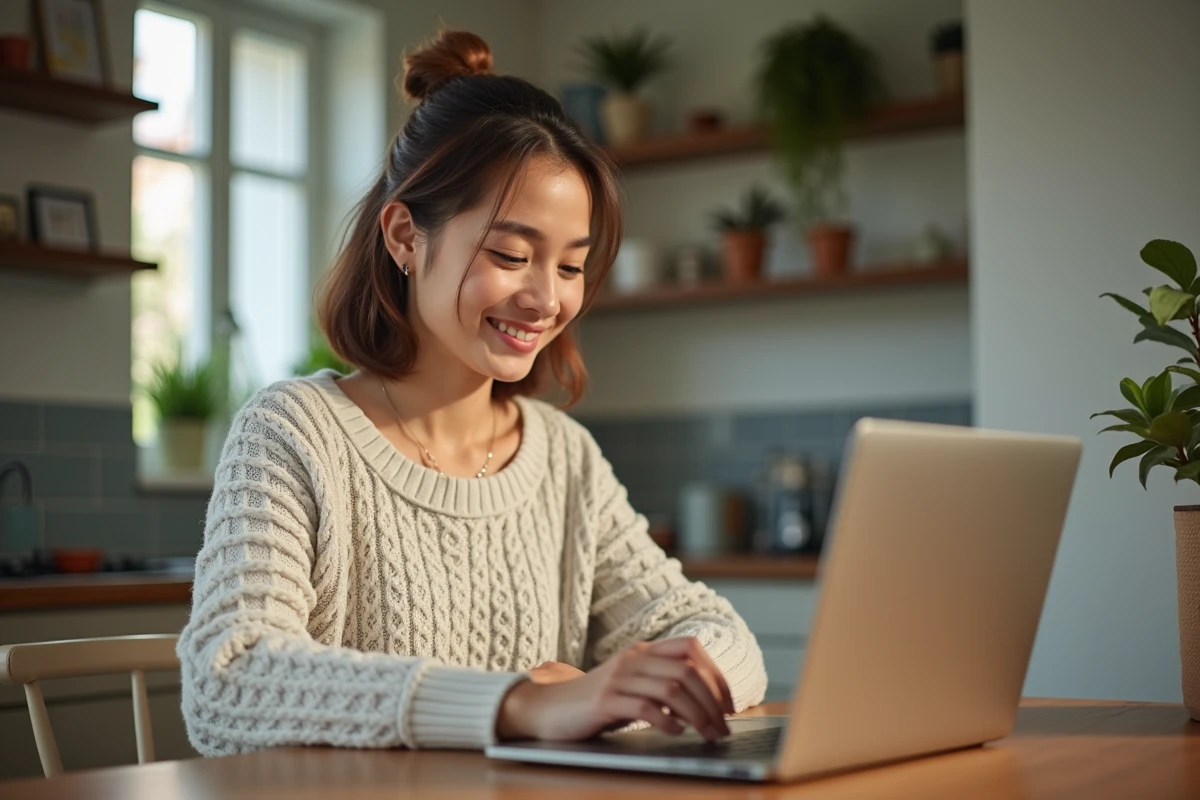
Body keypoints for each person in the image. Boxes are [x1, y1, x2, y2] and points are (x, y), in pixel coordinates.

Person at [177, 28, 767, 756]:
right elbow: (227, 682)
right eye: (510, 254)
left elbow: (725, 641)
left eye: (571, 267)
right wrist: (519, 705)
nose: (545, 299)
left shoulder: (564, 458)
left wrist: (610, 702)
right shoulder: (294, 431)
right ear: (405, 235)